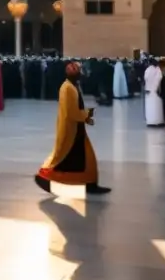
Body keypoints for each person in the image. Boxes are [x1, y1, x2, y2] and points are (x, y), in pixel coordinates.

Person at [35, 62, 110, 195]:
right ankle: (44, 176)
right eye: (79, 73)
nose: (81, 75)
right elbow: (72, 112)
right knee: (61, 158)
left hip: (76, 128)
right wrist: (87, 115)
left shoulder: (72, 86)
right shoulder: (67, 88)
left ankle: (89, 184)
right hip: (70, 130)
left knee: (86, 159)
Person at [143, 59, 165, 127]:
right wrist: (156, 87)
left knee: (149, 106)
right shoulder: (157, 69)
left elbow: (145, 78)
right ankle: (158, 121)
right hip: (155, 90)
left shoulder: (147, 69)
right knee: (157, 106)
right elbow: (159, 78)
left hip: (148, 90)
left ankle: (150, 121)